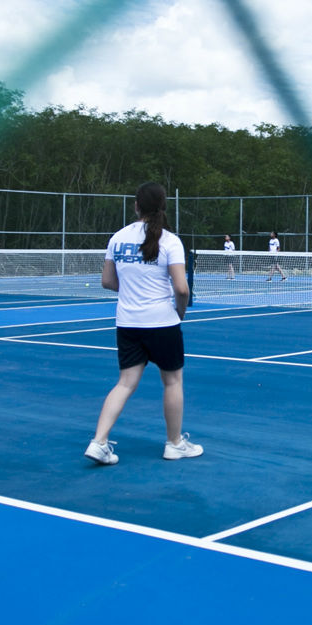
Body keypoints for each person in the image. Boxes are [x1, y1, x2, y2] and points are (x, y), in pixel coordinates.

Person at [85, 182, 201, 466]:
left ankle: (98, 442)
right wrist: (180, 312)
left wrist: (133, 289)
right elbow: (182, 289)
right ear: (163, 206)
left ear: (136, 206)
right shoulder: (171, 241)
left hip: (128, 323)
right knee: (172, 381)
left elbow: (108, 282)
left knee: (125, 384)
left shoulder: (118, 238)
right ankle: (174, 444)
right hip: (162, 324)